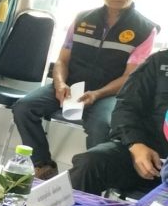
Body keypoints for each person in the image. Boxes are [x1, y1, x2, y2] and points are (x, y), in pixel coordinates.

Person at [12, 0, 158, 180]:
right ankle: (43, 165)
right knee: (24, 107)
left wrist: (97, 94)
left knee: (102, 126)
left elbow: (129, 77)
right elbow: (62, 60)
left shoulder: (145, 29)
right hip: (71, 86)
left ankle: (91, 181)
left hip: (109, 94)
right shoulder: (82, 19)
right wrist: (60, 84)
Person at [69, 49, 168, 196]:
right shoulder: (159, 61)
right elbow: (127, 106)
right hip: (146, 152)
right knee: (89, 164)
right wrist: (135, 145)